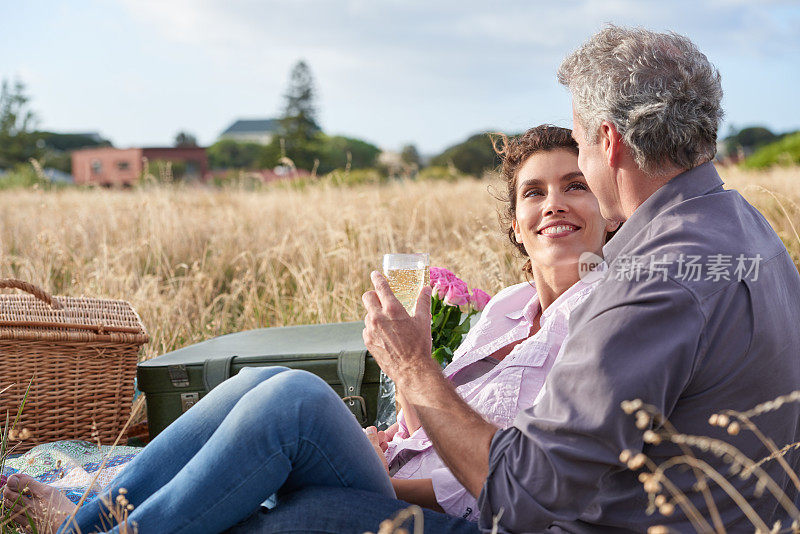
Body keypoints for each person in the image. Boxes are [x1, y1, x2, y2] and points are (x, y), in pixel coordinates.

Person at [221, 25, 800, 533]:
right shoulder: (748, 230)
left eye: (576, 148)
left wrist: (414, 368)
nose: (560, 200)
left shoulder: (649, 280)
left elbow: (522, 495)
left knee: (290, 511)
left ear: (607, 141)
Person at [1, 125, 617, 534]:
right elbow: (425, 421)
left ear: (607, 211)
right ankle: (91, 516)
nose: (554, 204)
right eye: (533, 193)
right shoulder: (505, 308)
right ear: (514, 223)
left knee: (294, 405)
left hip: (474, 517)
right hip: (397, 473)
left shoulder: (607, 318)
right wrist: (398, 401)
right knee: (268, 387)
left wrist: (402, 408)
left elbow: (508, 483)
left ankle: (85, 524)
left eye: (575, 186)